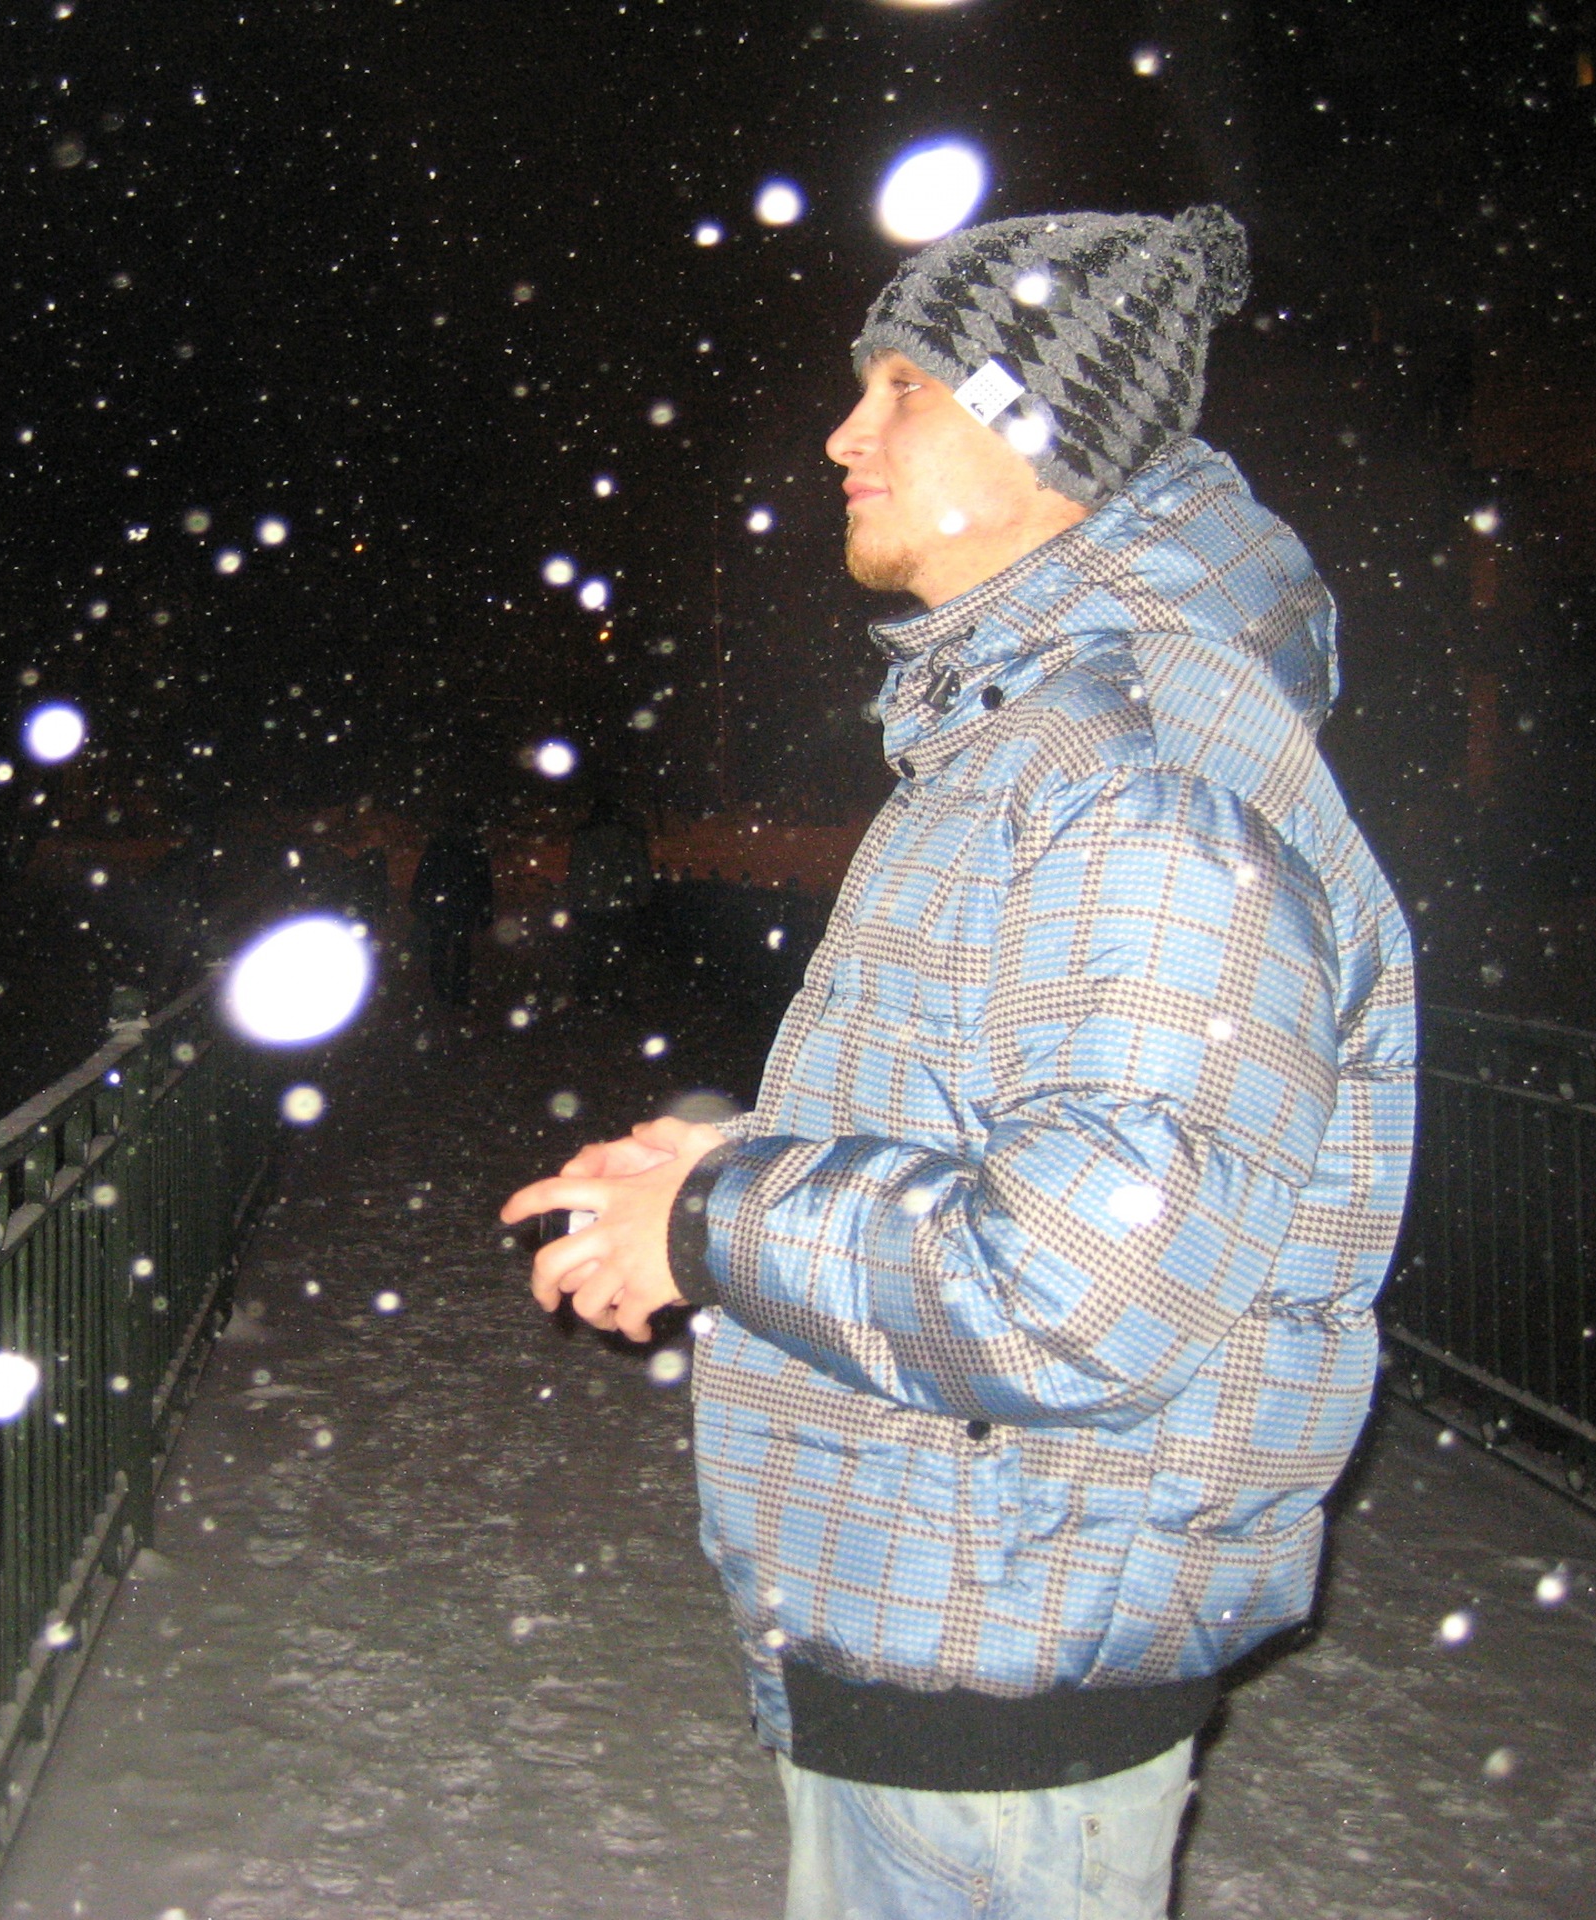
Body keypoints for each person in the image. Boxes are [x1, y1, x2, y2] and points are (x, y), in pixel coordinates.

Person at [502, 206, 1416, 1918]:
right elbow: (995, 1137)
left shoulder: (1139, 767)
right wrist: (709, 1175)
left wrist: (717, 1226)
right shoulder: (1037, 739)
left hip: (1006, 1663)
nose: (843, 434)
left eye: (904, 387)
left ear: (1042, 426)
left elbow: (1079, 1281)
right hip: (968, 1628)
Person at [565, 792, 654, 1006]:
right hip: (621, 902)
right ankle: (618, 993)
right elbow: (640, 869)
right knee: (619, 949)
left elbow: (577, 872)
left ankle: (588, 992)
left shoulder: (584, 838)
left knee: (592, 949)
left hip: (591, 903)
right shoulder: (629, 837)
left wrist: (574, 901)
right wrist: (643, 898)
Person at [410, 805, 494, 1008]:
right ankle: (453, 994)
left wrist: (418, 897)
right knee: (454, 950)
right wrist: (485, 908)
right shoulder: (469, 846)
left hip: (451, 904)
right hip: (458, 904)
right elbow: (483, 880)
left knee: (447, 949)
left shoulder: (446, 845)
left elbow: (483, 880)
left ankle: (448, 993)